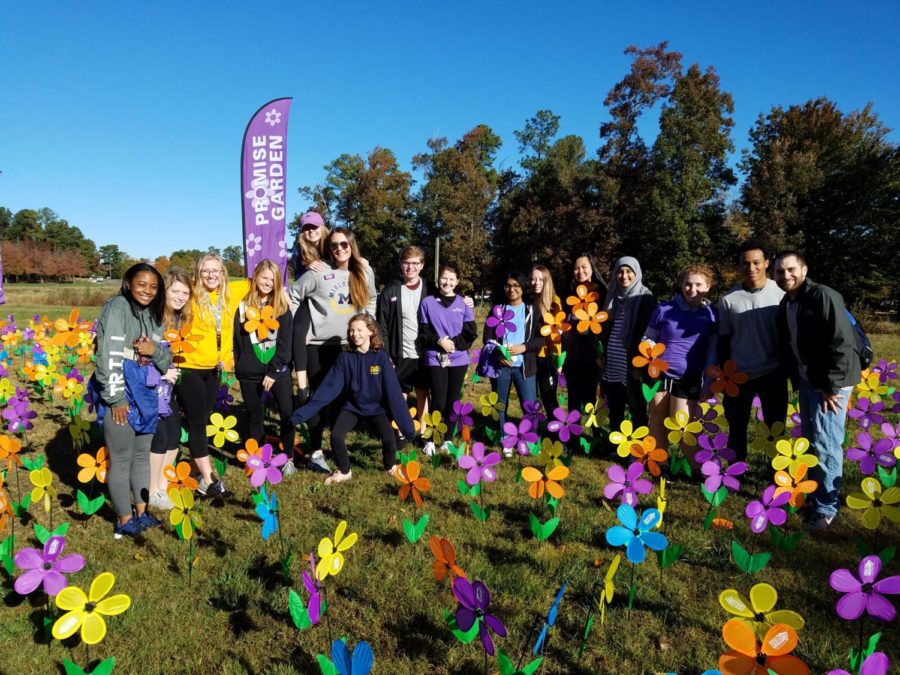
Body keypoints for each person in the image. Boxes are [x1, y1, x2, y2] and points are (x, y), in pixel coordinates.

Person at [775, 252, 860, 530]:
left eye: (790, 269)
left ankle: (826, 508)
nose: (785, 276)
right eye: (779, 272)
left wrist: (830, 386)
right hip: (810, 380)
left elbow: (841, 342)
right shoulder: (788, 302)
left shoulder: (823, 295)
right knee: (811, 439)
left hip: (830, 384)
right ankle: (816, 494)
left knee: (826, 442)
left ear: (804, 269)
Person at [92, 263, 172, 538]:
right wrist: (115, 399)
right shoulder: (117, 308)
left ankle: (142, 512)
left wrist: (154, 351)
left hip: (146, 395)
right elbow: (108, 356)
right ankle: (125, 519)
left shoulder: (154, 315)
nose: (147, 291)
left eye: (153, 286)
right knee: (122, 458)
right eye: (141, 284)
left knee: (141, 457)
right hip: (122, 393)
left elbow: (165, 360)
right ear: (129, 283)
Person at [290, 227, 377, 473]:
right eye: (334, 245)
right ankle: (316, 453)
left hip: (348, 347)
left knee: (343, 400)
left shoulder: (363, 270)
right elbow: (294, 296)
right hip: (319, 347)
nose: (339, 249)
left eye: (344, 245)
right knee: (318, 400)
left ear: (352, 246)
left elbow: (371, 300)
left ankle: (337, 445)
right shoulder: (318, 271)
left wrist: (367, 328)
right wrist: (301, 327)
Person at [290, 313, 415, 484]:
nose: (355, 334)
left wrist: (408, 428)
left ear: (371, 331)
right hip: (353, 407)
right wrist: (301, 414)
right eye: (351, 330)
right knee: (336, 436)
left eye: (359, 330)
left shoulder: (381, 358)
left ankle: (390, 466)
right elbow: (328, 389)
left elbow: (394, 393)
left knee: (389, 439)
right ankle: (344, 470)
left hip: (377, 408)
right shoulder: (344, 358)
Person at [175, 252, 242, 498]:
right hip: (189, 366)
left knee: (202, 420)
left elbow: (266, 278)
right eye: (206, 270)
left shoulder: (230, 294)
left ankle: (193, 468)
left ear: (223, 273)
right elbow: (165, 295)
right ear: (198, 274)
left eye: (216, 270)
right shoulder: (190, 293)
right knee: (196, 423)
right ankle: (209, 478)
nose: (211, 275)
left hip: (215, 369)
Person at [717, 241, 787, 462]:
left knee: (776, 428)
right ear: (739, 266)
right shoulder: (728, 299)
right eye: (745, 264)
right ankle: (735, 470)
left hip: (773, 372)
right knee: (737, 427)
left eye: (756, 262)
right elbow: (724, 340)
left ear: (766, 263)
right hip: (739, 374)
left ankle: (777, 473)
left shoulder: (782, 293)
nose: (751, 268)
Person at [644, 264, 718, 465]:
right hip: (660, 375)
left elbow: (712, 351)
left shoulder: (712, 314)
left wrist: (709, 381)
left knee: (682, 426)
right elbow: (649, 337)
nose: (692, 289)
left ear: (708, 287)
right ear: (681, 285)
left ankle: (699, 468)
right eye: (687, 284)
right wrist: (649, 352)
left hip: (689, 377)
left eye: (698, 284)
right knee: (657, 420)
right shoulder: (664, 309)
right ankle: (659, 464)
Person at [234, 259, 296, 474]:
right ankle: (258, 460)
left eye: (272, 279)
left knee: (286, 414)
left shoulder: (282, 308)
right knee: (254, 416)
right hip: (249, 373)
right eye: (264, 277)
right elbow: (237, 341)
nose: (267, 282)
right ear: (256, 277)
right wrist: (241, 366)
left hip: (277, 373)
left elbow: (286, 346)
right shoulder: (242, 306)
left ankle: (288, 458)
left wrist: (273, 371)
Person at [418, 263, 477, 455]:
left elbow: (470, 333)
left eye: (452, 279)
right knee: (438, 402)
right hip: (435, 357)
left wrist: (453, 343)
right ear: (438, 279)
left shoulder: (464, 303)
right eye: (444, 278)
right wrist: (439, 341)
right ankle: (430, 439)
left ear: (457, 281)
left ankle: (448, 440)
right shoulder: (427, 302)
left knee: (453, 402)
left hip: (458, 359)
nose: (447, 282)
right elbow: (424, 331)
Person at [483, 272, 544, 452]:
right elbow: (488, 338)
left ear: (523, 288)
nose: (512, 289)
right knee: (501, 405)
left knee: (530, 406)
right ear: (504, 288)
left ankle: (530, 439)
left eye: (516, 285)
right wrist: (499, 355)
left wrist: (524, 347)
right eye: (509, 285)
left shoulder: (532, 310)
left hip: (525, 367)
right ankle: (505, 438)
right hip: (501, 367)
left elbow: (541, 339)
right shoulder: (497, 310)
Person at [148, 268, 192, 509]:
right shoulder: (151, 318)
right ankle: (152, 489)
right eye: (175, 290)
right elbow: (140, 353)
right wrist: (163, 371)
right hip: (152, 388)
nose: (180, 296)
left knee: (174, 434)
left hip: (170, 390)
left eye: (185, 292)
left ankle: (164, 485)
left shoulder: (179, 318)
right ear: (164, 290)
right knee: (160, 437)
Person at [376, 245, 433, 431]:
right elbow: (381, 324)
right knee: (401, 394)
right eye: (406, 263)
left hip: (425, 353)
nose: (410, 267)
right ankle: (402, 429)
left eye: (415, 263)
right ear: (401, 265)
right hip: (400, 353)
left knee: (423, 392)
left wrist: (466, 301)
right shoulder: (390, 291)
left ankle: (424, 431)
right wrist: (386, 354)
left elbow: (449, 304)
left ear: (422, 265)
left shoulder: (431, 289)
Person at [601, 256, 657, 433]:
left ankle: (640, 447)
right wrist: (601, 354)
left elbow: (649, 334)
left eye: (628, 271)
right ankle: (617, 443)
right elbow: (605, 328)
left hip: (631, 361)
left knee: (636, 406)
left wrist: (637, 364)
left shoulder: (646, 298)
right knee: (615, 405)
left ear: (636, 273)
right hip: (613, 360)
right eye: (620, 271)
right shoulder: (613, 296)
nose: (623, 276)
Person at [561, 254, 608, 417]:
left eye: (584, 267)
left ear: (591, 268)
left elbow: (605, 324)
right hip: (572, 354)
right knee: (573, 398)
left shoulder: (601, 292)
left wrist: (601, 352)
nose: (580, 271)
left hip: (592, 356)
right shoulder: (569, 292)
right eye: (576, 268)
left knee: (591, 399)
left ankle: (594, 437)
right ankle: (573, 438)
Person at [290, 211, 330, 401]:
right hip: (308, 295)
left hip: (331, 294)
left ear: (322, 227)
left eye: (314, 227)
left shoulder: (332, 244)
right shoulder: (299, 249)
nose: (310, 231)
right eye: (306, 228)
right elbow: (298, 280)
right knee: (298, 331)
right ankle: (302, 386)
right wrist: (309, 266)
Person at [531, 265, 562, 416]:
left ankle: (557, 433)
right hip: (530, 355)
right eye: (533, 279)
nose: (536, 282)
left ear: (547, 281)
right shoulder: (529, 301)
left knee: (549, 396)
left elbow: (557, 333)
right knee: (532, 397)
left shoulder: (554, 303)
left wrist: (558, 359)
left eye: (540, 279)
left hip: (547, 358)